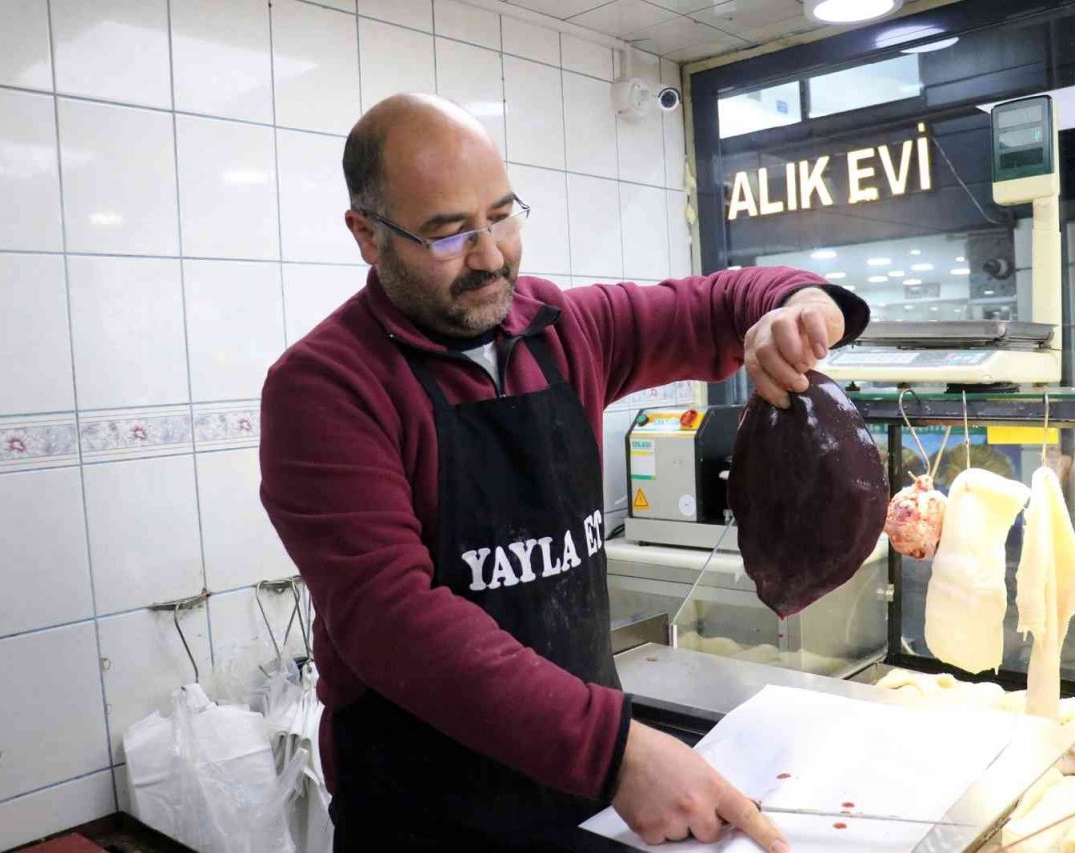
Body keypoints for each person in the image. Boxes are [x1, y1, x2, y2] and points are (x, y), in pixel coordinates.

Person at [260, 93, 869, 851]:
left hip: (581, 799)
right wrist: (617, 752)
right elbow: (392, 618)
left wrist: (798, 307)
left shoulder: (564, 329)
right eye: (448, 234)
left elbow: (718, 303)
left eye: (501, 215)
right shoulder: (324, 387)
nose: (488, 255)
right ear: (367, 236)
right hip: (427, 811)